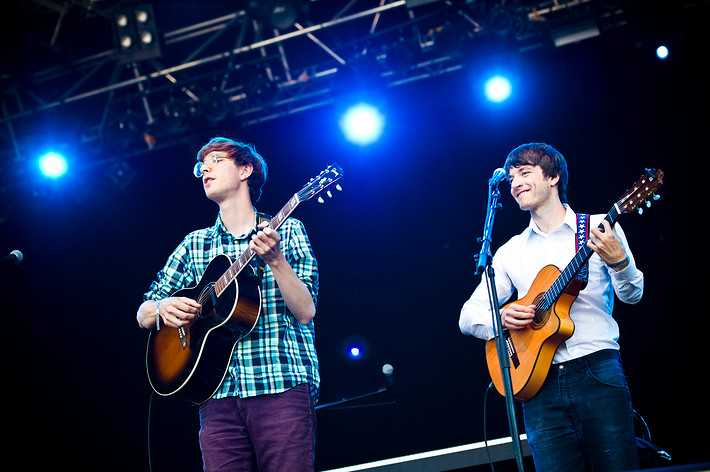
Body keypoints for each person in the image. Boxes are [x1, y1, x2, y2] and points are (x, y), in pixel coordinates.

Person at [136, 136, 320, 472]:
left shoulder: (289, 229)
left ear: (245, 170)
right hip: (216, 397)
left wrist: (276, 260)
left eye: (217, 160)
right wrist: (162, 309)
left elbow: (306, 311)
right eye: (201, 165)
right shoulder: (194, 245)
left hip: (279, 386)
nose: (205, 168)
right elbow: (144, 311)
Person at [459, 143, 644, 471]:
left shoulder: (601, 227)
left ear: (554, 177)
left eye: (525, 173)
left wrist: (621, 263)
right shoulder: (509, 251)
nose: (514, 183)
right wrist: (501, 317)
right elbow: (468, 316)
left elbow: (632, 296)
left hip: (598, 373)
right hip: (537, 387)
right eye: (511, 177)